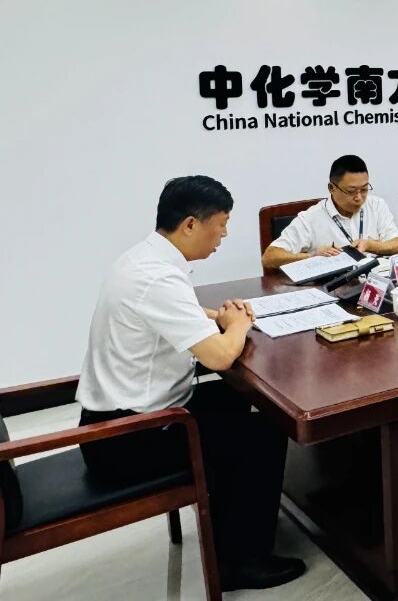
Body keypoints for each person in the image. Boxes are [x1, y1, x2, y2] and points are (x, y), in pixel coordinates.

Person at [77, 177, 304, 591]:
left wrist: (219, 316)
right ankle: (242, 562)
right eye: (222, 225)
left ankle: (231, 525)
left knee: (238, 400)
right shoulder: (157, 278)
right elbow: (219, 357)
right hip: (127, 439)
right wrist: (237, 325)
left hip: (122, 419)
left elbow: (177, 310)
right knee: (264, 432)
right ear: (190, 225)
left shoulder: (145, 259)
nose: (225, 235)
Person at [262, 154, 398, 269]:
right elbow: (269, 257)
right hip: (333, 289)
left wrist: (370, 245)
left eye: (364, 189)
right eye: (351, 191)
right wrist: (312, 256)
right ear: (331, 188)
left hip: (376, 282)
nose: (359, 197)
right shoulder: (311, 218)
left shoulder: (376, 205)